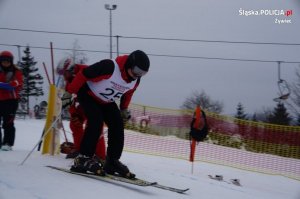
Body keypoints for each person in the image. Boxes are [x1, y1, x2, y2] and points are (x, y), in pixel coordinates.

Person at [66, 50, 150, 178]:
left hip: (106, 101)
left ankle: (112, 161)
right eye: (137, 71)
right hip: (88, 94)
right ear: (129, 64)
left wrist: (123, 109)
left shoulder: (135, 81)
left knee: (117, 124)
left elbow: (128, 93)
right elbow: (84, 74)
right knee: (96, 121)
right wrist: (69, 92)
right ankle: (82, 158)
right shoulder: (109, 67)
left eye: (142, 73)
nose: (137, 75)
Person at [57, 58, 106, 160]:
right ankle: (79, 150)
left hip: (96, 102)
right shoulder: (69, 82)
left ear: (70, 69)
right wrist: (74, 114)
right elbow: (70, 100)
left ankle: (100, 155)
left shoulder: (86, 71)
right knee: (74, 124)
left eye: (64, 73)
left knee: (95, 126)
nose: (64, 76)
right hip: (83, 105)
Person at [0, 51, 23, 151]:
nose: (5, 63)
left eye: (7, 61)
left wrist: (7, 85)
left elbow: (16, 84)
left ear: (11, 61)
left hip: (10, 101)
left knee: (8, 123)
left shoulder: (16, 71)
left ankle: (8, 143)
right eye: (3, 61)